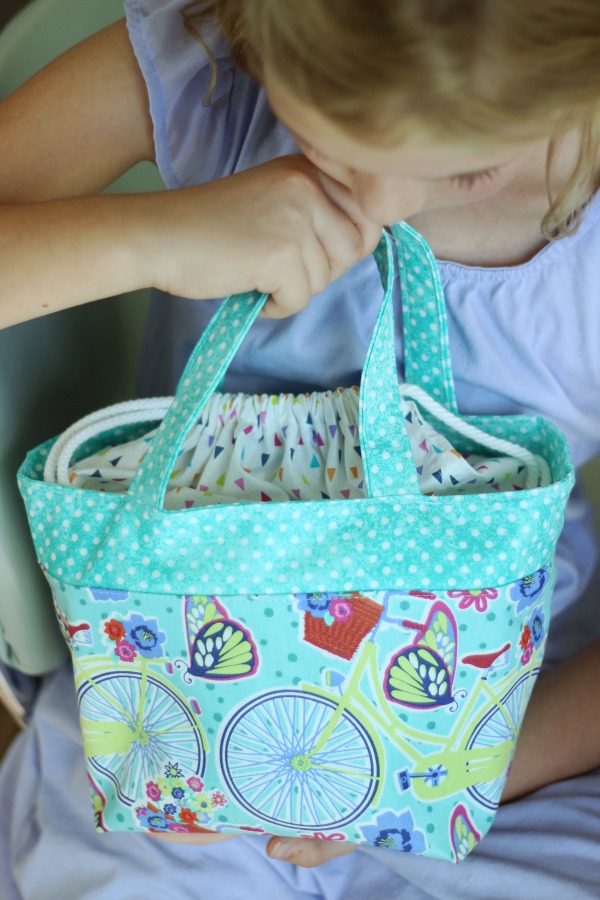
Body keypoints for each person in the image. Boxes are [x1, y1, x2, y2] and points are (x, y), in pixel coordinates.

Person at [0, 0, 599, 895]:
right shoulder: (212, 62)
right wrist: (154, 236)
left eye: (469, 170)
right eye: (331, 140)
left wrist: (453, 773)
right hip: (174, 678)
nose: (382, 209)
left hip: (516, 706)